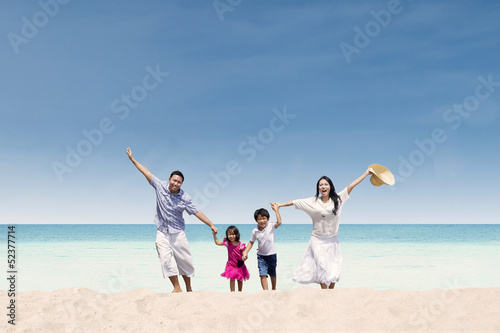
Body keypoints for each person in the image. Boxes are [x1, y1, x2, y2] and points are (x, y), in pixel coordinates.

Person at [126, 147, 217, 293]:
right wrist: (132, 159)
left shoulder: (184, 197)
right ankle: (177, 287)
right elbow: (146, 171)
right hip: (162, 231)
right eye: (174, 180)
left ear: (181, 184)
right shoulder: (160, 186)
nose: (176, 183)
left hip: (178, 232)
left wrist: (211, 224)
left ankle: (189, 288)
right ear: (169, 179)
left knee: (184, 260)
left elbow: (196, 212)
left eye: (179, 182)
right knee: (165, 259)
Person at [274, 168, 373, 289]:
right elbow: (295, 202)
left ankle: (330, 292)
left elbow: (351, 186)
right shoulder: (312, 202)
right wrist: (279, 205)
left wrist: (366, 173)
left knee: (334, 267)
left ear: (330, 186)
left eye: (326, 184)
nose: (323, 186)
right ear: (318, 188)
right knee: (322, 266)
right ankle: (324, 293)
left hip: (333, 239)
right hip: (317, 239)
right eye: (321, 185)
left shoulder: (338, 199)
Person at [242, 202, 282, 290]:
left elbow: (279, 222)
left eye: (264, 218)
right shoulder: (255, 231)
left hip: (271, 255)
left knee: (272, 274)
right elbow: (251, 242)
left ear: (267, 219)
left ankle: (274, 289)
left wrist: (276, 210)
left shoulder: (271, 226)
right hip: (261, 256)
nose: (262, 221)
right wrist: (245, 252)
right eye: (260, 219)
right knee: (262, 274)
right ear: (256, 220)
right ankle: (266, 292)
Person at [213, 226, 250, 292]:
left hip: (239, 264)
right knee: (232, 278)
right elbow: (217, 242)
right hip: (231, 264)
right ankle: (232, 292)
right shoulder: (228, 243)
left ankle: (240, 292)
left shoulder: (241, 244)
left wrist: (245, 256)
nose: (231, 236)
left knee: (240, 279)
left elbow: (244, 252)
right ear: (227, 235)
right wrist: (214, 235)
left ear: (237, 235)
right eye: (229, 234)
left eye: (233, 234)